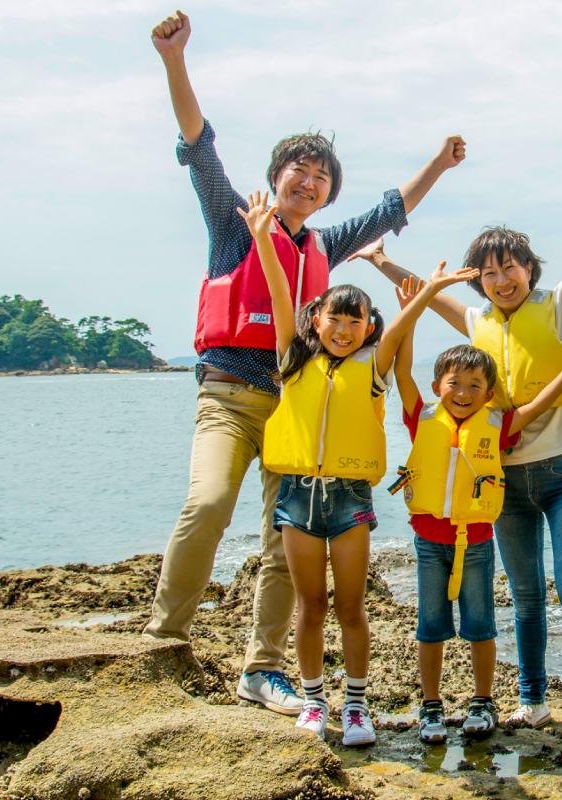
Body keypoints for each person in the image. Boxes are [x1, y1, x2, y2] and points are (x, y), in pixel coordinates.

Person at [142, 9, 467, 718]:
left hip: (296, 407)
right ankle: (162, 636)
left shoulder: (326, 243)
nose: (310, 181)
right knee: (207, 503)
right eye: (300, 169)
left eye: (322, 176)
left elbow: (390, 210)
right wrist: (174, 61)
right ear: (277, 176)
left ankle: (260, 668)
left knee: (278, 538)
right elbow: (198, 145)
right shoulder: (234, 220)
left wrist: (439, 164)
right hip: (229, 394)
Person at [355, 138, 562, 740]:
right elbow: (425, 294)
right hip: (503, 478)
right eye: (488, 273)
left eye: (510, 267)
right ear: (480, 282)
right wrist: (380, 262)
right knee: (526, 595)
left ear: (528, 269)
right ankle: (532, 701)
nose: (500, 278)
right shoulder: (476, 320)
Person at [238, 193, 478, 745]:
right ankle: (316, 702)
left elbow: (398, 338)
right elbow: (279, 295)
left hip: (349, 500)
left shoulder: (373, 369)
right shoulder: (292, 358)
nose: (345, 329)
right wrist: (260, 239)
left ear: (369, 326)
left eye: (356, 321)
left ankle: (357, 707)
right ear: (316, 321)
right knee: (310, 605)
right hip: (296, 497)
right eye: (335, 319)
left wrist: (431, 292)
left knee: (350, 605)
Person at [389, 274, 562, 744]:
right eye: (454, 384)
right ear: (438, 386)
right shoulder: (421, 416)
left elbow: (538, 404)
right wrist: (409, 315)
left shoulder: (498, 423)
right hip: (429, 542)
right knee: (430, 627)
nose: (464, 392)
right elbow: (401, 373)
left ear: (489, 393)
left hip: (477, 542)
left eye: (474, 385)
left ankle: (483, 701)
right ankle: (431, 706)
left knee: (481, 625)